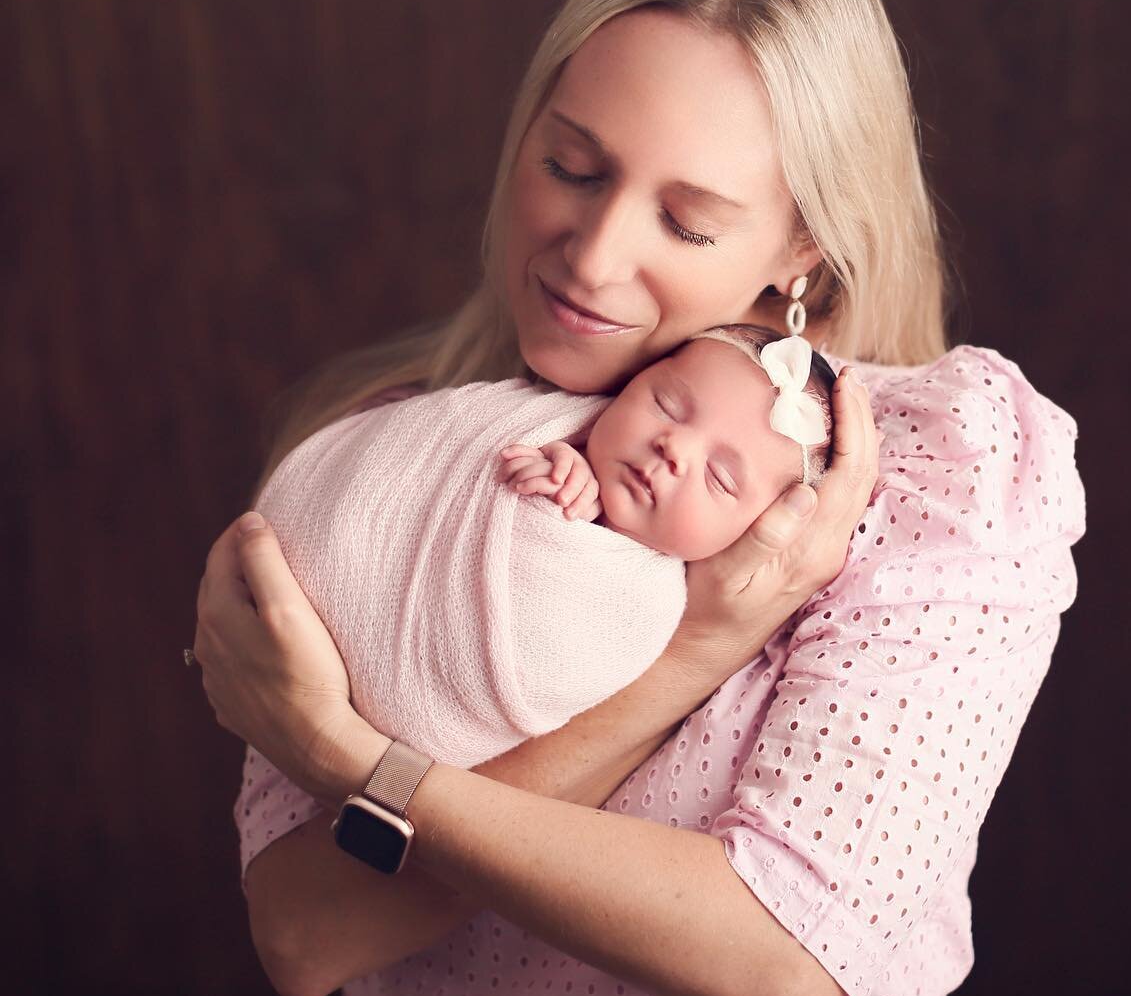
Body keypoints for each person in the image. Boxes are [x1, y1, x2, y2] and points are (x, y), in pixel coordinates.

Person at [192, 0, 1086, 996]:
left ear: (801, 251)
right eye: (571, 165)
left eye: (688, 219)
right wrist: (690, 653)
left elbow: (777, 964)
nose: (594, 255)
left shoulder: (929, 469)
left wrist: (346, 753)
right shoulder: (383, 455)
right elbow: (307, 936)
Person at [247, 324, 837, 771]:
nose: (673, 448)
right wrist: (558, 466)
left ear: (760, 529)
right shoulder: (558, 433)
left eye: (720, 479)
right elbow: (476, 473)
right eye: (666, 404)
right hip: (321, 564)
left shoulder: (650, 608)